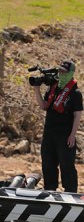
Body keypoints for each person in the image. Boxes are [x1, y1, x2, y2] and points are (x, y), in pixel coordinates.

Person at [33, 60, 82, 193]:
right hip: (49, 133)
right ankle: (50, 189)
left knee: (66, 165)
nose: (61, 74)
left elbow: (77, 115)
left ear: (71, 73)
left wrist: (72, 135)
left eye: (64, 72)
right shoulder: (53, 88)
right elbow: (44, 106)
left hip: (65, 134)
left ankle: (70, 192)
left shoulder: (75, 93)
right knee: (48, 163)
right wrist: (37, 89)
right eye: (60, 71)